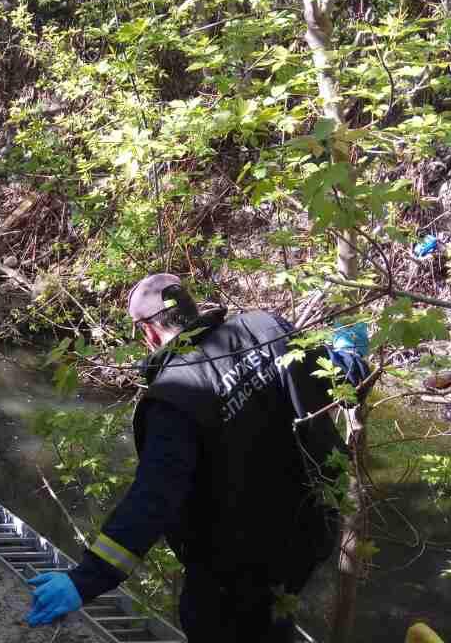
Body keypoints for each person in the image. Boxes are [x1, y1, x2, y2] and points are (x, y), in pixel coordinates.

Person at [25, 274, 353, 642]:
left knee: (211, 619)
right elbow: (333, 385)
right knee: (275, 618)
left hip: (237, 573)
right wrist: (350, 356)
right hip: (310, 534)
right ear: (192, 309)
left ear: (148, 333)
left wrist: (84, 580)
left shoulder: (173, 397)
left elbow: (154, 499)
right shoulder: (265, 327)